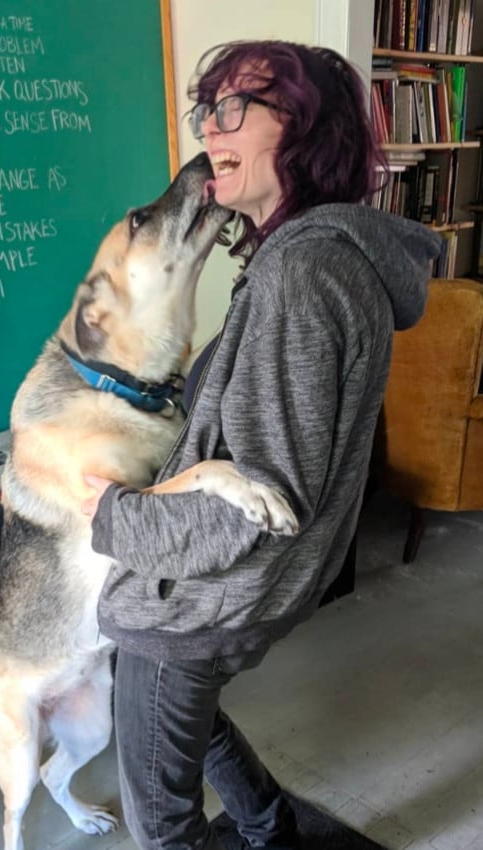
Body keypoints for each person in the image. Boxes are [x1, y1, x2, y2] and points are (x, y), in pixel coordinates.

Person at [83, 40, 441, 850]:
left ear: (308, 132)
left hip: (204, 599)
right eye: (209, 110)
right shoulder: (319, 259)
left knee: (162, 818)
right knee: (175, 714)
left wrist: (105, 511)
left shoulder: (300, 277)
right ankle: (272, 826)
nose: (212, 130)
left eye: (238, 107)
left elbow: (252, 507)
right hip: (242, 592)